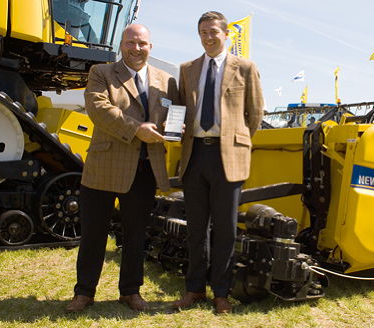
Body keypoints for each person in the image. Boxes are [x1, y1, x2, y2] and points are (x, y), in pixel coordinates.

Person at [66, 24, 178, 312]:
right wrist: (136, 129)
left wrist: (179, 129)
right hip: (105, 166)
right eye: (131, 42)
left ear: (150, 47)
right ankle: (84, 292)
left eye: (142, 43)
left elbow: (174, 118)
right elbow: (99, 110)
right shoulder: (101, 73)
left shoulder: (167, 82)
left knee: (136, 234)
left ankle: (130, 292)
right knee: (93, 234)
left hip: (144, 171)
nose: (136, 48)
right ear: (121, 45)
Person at [173, 11, 264, 314]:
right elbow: (181, 110)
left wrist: (234, 141)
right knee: (196, 228)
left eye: (213, 32)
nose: (208, 37)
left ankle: (221, 293)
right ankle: (194, 289)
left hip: (228, 158)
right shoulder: (187, 69)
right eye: (203, 32)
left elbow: (255, 114)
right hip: (194, 155)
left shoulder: (246, 68)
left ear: (226, 34)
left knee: (226, 229)